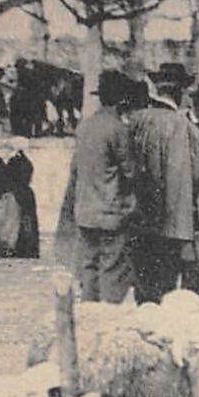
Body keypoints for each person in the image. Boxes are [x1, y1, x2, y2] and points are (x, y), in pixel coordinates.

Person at [128, 62, 199, 300]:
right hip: (175, 221)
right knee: (165, 283)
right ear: (182, 92)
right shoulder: (185, 127)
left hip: (139, 216)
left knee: (143, 284)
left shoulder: (136, 121)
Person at [66, 68, 141, 302]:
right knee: (111, 269)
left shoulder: (85, 126)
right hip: (110, 212)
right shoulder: (118, 128)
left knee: (89, 266)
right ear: (122, 98)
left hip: (85, 210)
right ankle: (107, 319)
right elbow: (131, 171)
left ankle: (89, 316)